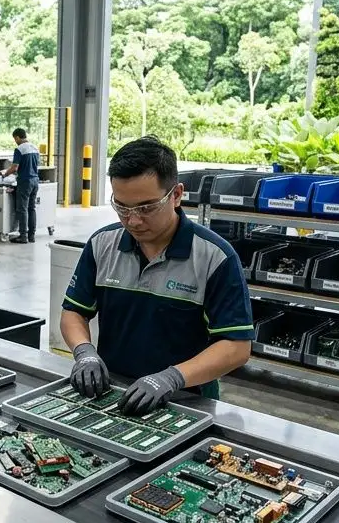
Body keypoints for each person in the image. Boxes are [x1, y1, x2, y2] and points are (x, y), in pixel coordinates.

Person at [61, 136, 253, 415]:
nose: (133, 220)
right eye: (122, 207)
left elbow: (236, 346)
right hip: (113, 393)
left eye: (147, 207)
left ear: (176, 194)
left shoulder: (215, 257)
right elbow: (74, 312)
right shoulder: (102, 245)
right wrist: (84, 352)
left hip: (186, 400)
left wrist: (171, 378)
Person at [0, 128, 40, 244]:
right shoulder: (35, 148)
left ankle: (23, 236)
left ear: (17, 137)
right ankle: (31, 236)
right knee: (32, 208)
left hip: (25, 182)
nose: (15, 141)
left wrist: (5, 174)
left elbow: (15, 167)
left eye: (14, 139)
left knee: (22, 209)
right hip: (35, 181)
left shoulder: (19, 149)